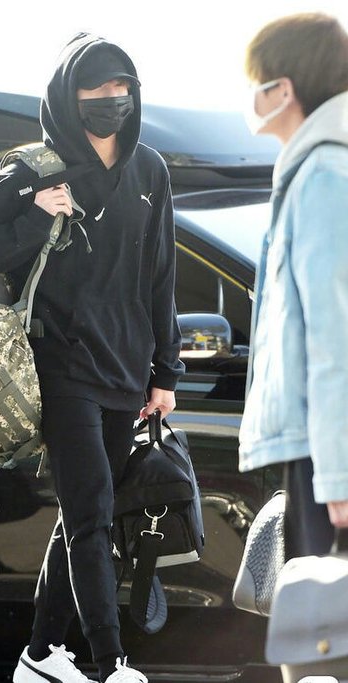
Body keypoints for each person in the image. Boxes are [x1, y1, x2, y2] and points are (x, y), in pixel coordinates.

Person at [0, 32, 184, 683]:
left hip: (126, 369)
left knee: (84, 511)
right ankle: (110, 663)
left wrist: (166, 372)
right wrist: (33, 215)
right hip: (61, 366)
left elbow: (161, 276)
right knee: (90, 514)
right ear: (67, 96)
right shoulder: (34, 169)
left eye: (122, 86)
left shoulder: (151, 171)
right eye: (98, 88)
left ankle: (41, 651)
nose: (113, 98)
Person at [239, 12, 348, 567]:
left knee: (321, 613)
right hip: (320, 446)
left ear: (283, 89)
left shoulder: (323, 176)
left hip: (326, 455)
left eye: (255, 82)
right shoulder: (314, 168)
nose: (250, 97)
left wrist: (337, 473)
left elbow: (335, 335)